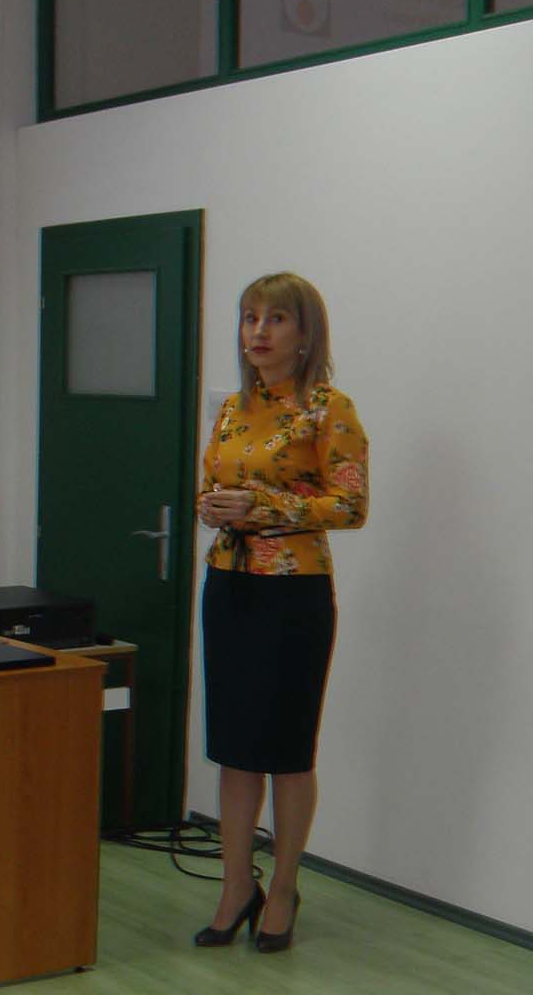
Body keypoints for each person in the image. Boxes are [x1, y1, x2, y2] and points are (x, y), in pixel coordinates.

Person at [193, 272, 368, 954]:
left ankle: (285, 888)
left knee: (288, 751)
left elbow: (350, 506)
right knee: (235, 750)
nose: (258, 332)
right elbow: (213, 482)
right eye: (249, 317)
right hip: (229, 585)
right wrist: (212, 505)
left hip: (294, 594)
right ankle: (236, 886)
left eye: (275, 319)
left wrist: (265, 506)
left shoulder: (328, 408)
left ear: (304, 333)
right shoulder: (235, 409)